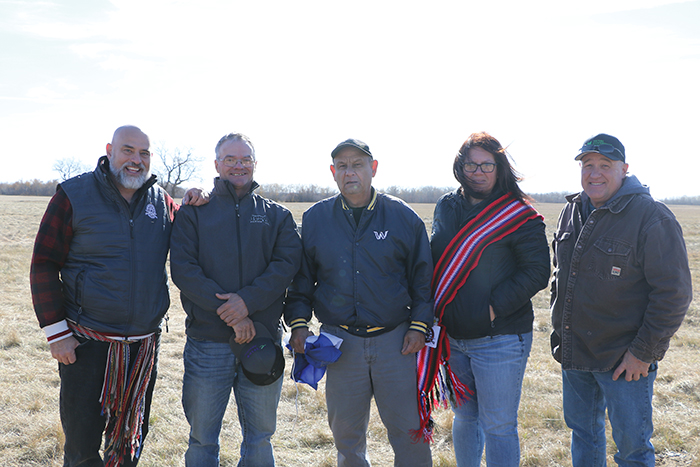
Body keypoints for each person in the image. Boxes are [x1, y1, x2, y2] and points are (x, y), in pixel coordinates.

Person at [29, 125, 207, 467]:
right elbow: (43, 264)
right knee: (82, 449)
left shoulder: (161, 201)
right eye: (128, 151)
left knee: (129, 445)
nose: (136, 160)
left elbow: (190, 230)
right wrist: (57, 334)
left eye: (144, 154)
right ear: (110, 150)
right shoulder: (73, 195)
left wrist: (198, 201)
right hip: (85, 345)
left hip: (142, 348)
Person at [285, 138, 434, 467]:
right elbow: (300, 282)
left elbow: (423, 280)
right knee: (346, 436)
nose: (349, 172)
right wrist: (298, 324)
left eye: (357, 164)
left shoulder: (403, 218)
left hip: (396, 341)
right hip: (341, 344)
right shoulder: (315, 219)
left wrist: (419, 326)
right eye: (342, 166)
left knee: (409, 431)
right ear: (332, 172)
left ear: (373, 168)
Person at [550, 133, 692, 466]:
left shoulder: (651, 216)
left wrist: (643, 353)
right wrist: (560, 335)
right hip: (575, 356)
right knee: (584, 438)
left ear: (624, 169)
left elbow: (674, 294)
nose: (594, 173)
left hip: (624, 361)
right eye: (587, 165)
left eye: (605, 165)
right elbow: (560, 277)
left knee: (632, 450)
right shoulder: (571, 211)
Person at [169, 132, 302, 467]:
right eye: (230, 159)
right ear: (217, 164)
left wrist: (247, 303)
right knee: (202, 439)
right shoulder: (194, 213)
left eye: (246, 159)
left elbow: (286, 267)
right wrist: (231, 313)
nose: (239, 165)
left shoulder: (277, 216)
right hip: (207, 344)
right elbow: (185, 271)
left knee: (259, 439)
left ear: (255, 164)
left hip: (262, 342)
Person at [421, 132, 550, 466]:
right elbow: (437, 258)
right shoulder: (447, 206)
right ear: (460, 166)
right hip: (453, 338)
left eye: (486, 165)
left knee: (499, 426)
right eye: (471, 164)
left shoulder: (517, 213)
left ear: (499, 167)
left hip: (501, 337)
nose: (478, 171)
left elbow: (537, 271)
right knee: (465, 418)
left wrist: (491, 310)